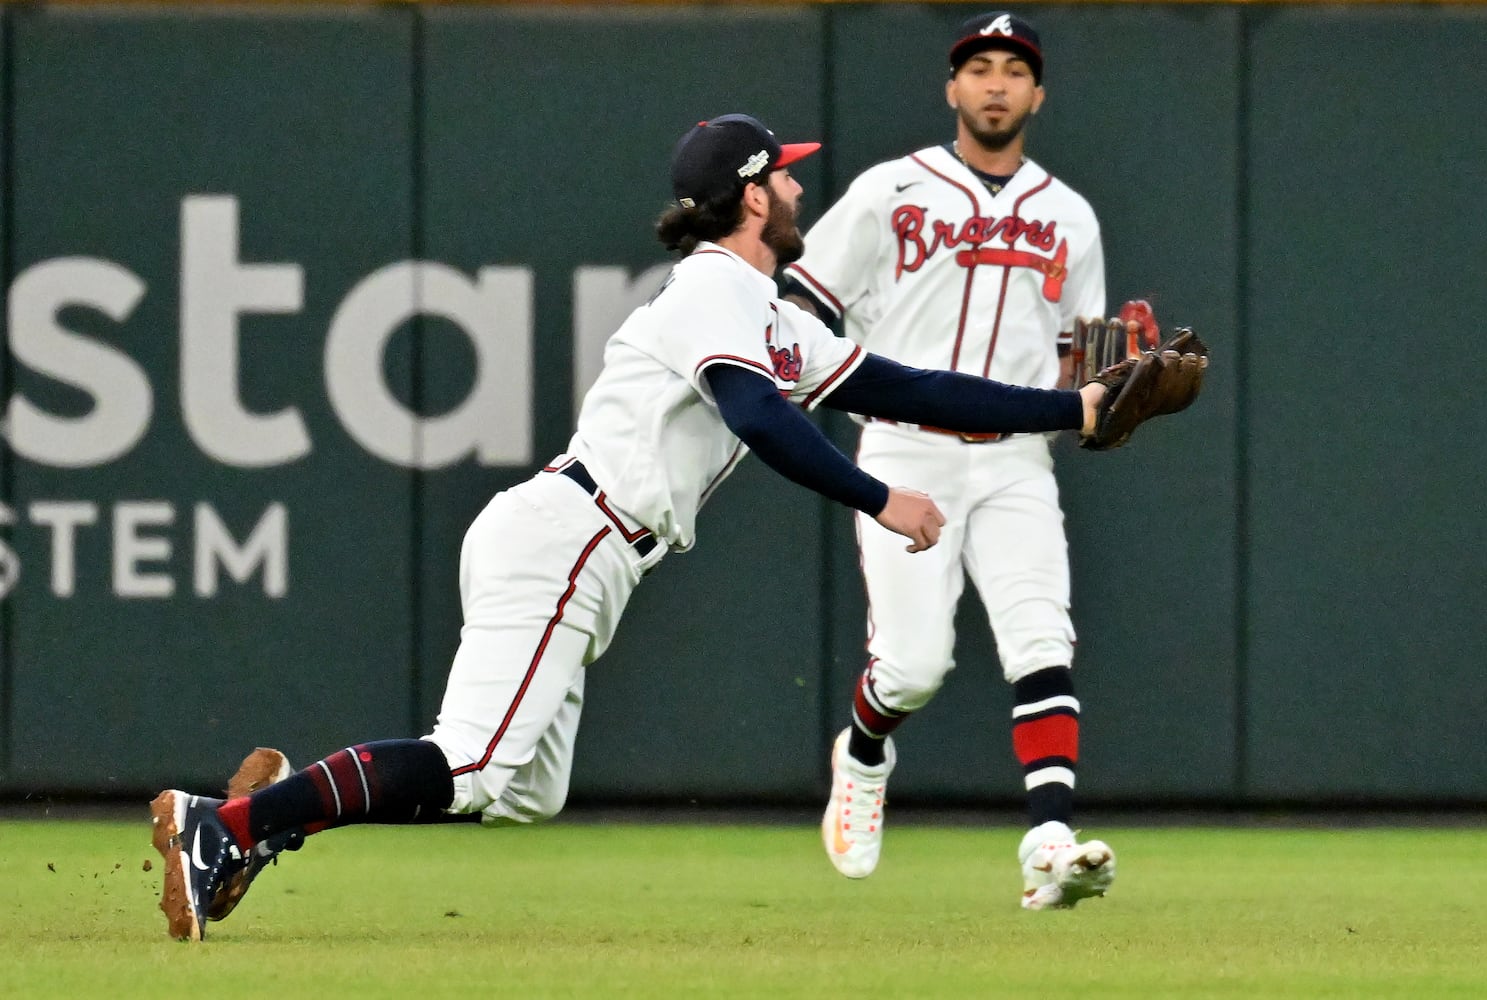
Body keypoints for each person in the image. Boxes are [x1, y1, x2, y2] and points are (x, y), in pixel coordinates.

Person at [150, 112, 1121, 941]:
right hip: (573, 536)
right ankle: (233, 826)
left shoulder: (773, 309)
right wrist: (879, 498)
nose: (795, 192)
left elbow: (908, 385)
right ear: (751, 199)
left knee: (523, 790)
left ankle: (256, 813)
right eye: (784, 177)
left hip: (583, 544)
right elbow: (755, 414)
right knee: (477, 761)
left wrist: (1071, 409)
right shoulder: (714, 287)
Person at [783, 12, 1119, 909]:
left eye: (1015, 69)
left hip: (1015, 459)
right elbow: (803, 301)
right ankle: (861, 750)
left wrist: (1113, 386)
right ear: (952, 88)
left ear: (1038, 94)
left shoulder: (1070, 216)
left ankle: (1049, 837)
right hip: (906, 449)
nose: (997, 83)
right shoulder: (892, 189)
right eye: (981, 67)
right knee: (915, 667)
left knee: (1041, 637)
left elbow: (1077, 358)